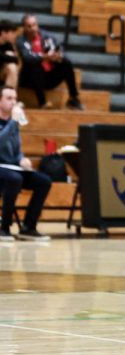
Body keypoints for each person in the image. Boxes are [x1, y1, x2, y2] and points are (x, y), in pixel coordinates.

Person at [0, 84, 51, 242]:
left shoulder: (13, 124)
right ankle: (4, 227)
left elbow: (16, 149)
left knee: (43, 181)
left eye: (15, 98)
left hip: (11, 167)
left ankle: (28, 227)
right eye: (9, 98)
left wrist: (22, 159)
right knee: (15, 179)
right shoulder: (12, 123)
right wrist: (12, 123)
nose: (13, 102)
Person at [16, 15, 83, 110]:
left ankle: (73, 98)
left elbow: (59, 48)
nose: (32, 29)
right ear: (24, 27)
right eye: (29, 26)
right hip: (30, 79)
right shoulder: (21, 40)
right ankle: (42, 102)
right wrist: (44, 57)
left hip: (48, 76)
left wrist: (57, 55)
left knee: (66, 62)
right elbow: (27, 57)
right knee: (35, 65)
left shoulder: (47, 36)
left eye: (34, 25)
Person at [0, 19, 20, 88]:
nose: (15, 36)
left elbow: (17, 61)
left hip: (2, 74)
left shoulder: (8, 44)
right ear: (3, 33)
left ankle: (10, 95)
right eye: (13, 33)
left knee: (12, 67)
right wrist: (13, 58)